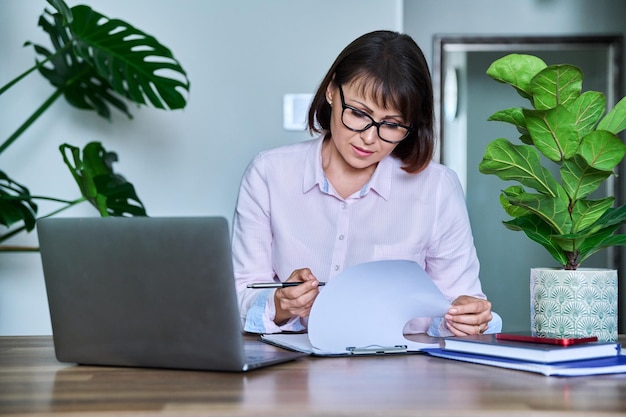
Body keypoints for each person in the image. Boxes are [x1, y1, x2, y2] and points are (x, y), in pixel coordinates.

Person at [232, 30, 501, 337]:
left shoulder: (437, 188)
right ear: (332, 91)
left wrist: (466, 317)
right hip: (290, 371)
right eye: (359, 114)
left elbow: (458, 304)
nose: (370, 138)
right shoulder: (268, 174)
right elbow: (241, 294)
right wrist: (280, 304)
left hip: (404, 373)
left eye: (392, 124)